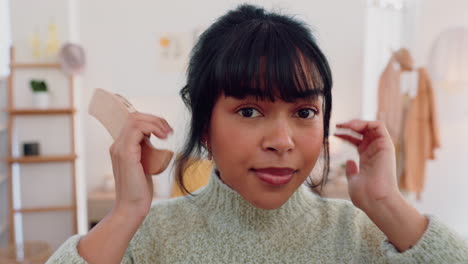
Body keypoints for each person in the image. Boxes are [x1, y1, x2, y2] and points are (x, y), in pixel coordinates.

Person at [47, 4, 468, 263]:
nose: (282, 140)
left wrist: (386, 203)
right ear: (205, 127)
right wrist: (124, 214)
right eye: (249, 110)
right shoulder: (147, 240)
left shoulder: (363, 236)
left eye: (304, 111)